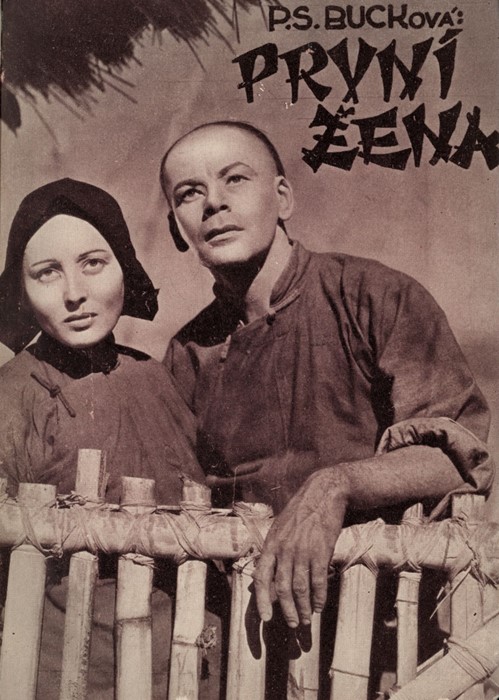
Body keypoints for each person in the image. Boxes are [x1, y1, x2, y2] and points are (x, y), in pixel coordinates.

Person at [159, 121, 494, 634]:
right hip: (245, 627)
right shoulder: (187, 353)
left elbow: (457, 458)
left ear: (283, 198)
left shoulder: (375, 296)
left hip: (378, 622)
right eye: (189, 193)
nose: (214, 203)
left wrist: (335, 485)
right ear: (176, 228)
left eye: (235, 179)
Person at [0, 178, 221, 698]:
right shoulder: (12, 393)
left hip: (188, 658)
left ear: (125, 267)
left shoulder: (156, 377)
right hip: (67, 669)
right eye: (47, 272)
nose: (74, 293)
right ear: (22, 292)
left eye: (93, 263)